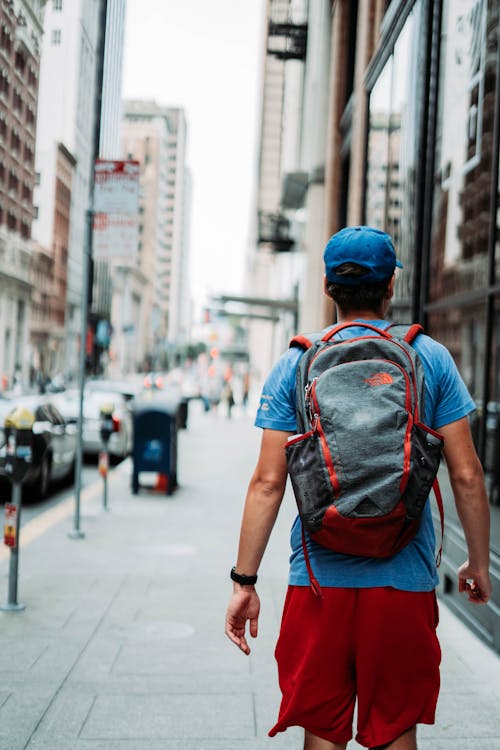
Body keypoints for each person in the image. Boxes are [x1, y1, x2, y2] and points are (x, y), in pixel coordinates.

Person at [225, 226, 491, 750]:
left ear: (327, 287)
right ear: (391, 285)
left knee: (323, 731)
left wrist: (244, 582)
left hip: (319, 580)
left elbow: (266, 483)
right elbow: (466, 474)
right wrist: (477, 564)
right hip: (405, 579)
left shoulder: (296, 364)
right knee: (394, 729)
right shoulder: (429, 358)